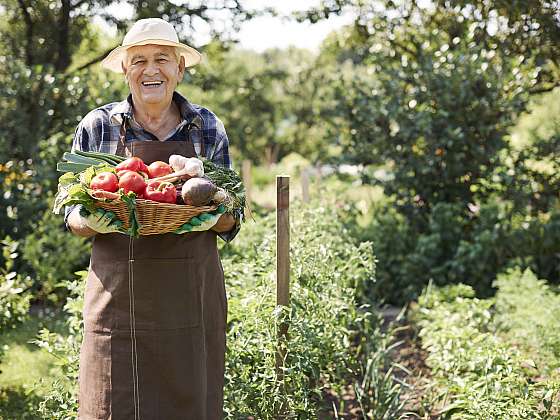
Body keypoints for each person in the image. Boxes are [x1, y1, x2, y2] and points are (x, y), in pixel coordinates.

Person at [65, 18, 239, 419]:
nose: (151, 69)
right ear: (126, 69)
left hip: (189, 304)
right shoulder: (98, 126)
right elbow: (71, 213)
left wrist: (211, 211)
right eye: (139, 60)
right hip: (118, 306)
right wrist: (95, 219)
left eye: (163, 59)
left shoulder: (207, 127)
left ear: (179, 68)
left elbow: (233, 218)